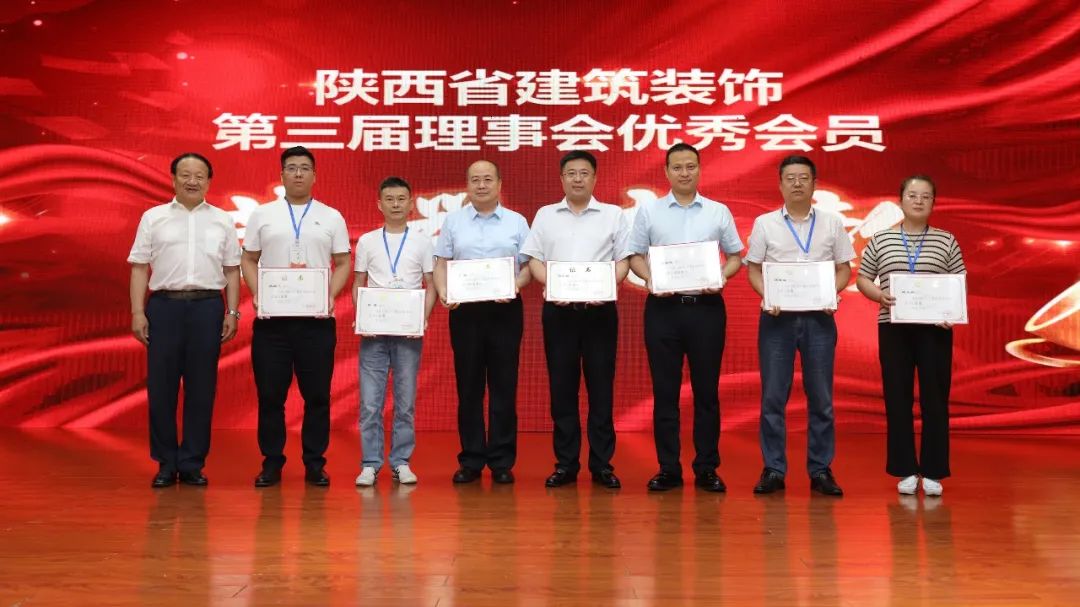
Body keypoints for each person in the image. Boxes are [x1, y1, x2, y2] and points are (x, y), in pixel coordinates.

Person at [627, 143, 744, 493]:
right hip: (663, 310)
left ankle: (707, 468)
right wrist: (651, 279)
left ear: (699, 169)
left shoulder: (718, 211)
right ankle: (668, 468)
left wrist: (721, 275)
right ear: (666, 172)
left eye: (690, 166)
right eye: (677, 167)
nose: (684, 173)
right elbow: (635, 255)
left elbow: (736, 256)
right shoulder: (649, 211)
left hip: (706, 310)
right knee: (665, 392)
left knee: (707, 392)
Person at [128, 152, 241, 488]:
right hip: (164, 307)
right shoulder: (153, 217)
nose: (192, 181)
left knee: (201, 388)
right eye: (185, 175)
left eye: (199, 176)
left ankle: (192, 462)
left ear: (209, 181)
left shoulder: (222, 220)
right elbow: (139, 267)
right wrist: (137, 312)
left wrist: (232, 311)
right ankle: (166, 462)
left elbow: (232, 270)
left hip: (208, 307)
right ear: (173, 178)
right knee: (161, 388)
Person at [241, 146, 351, 487]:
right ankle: (271, 462)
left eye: (305, 168)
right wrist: (258, 293)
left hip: (316, 323)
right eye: (291, 168)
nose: (298, 173)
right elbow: (248, 259)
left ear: (315, 176)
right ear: (282, 175)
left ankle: (315, 463)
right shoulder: (263, 214)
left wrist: (328, 296)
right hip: (272, 323)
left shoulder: (331, 216)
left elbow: (343, 262)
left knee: (317, 396)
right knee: (270, 396)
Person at [745, 155, 854, 496]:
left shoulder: (832, 223)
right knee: (773, 397)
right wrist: (768, 295)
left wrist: (831, 293)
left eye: (803, 178)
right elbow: (753, 269)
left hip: (819, 320)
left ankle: (820, 470)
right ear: (780, 185)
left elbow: (844, 268)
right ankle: (773, 469)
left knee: (821, 398)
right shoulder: (765, 223)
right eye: (790, 178)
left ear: (814, 184)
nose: (797, 183)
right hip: (777, 319)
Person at [522, 151, 631, 490]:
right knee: (562, 389)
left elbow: (624, 260)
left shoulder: (613, 215)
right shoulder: (545, 215)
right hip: (559, 312)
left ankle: (602, 465)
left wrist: (607, 286)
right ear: (562, 178)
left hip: (600, 311)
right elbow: (534, 260)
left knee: (601, 390)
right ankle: (566, 464)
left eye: (584, 173)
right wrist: (553, 285)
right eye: (571, 173)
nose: (578, 179)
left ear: (595, 178)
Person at [856, 175, 965, 496]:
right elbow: (863, 278)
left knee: (935, 399)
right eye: (912, 195)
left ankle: (933, 471)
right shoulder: (881, 239)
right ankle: (904, 469)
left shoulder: (946, 240)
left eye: (926, 196)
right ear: (900, 200)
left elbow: (958, 282)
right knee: (897, 398)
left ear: (933, 203)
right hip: (894, 327)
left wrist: (951, 313)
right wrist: (878, 295)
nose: (918, 201)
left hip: (935, 330)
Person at [434, 160, 531, 484]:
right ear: (467, 185)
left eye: (488, 179)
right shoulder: (453, 221)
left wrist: (514, 285)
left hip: (505, 310)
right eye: (475, 179)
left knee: (504, 386)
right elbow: (441, 263)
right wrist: (444, 291)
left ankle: (502, 461)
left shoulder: (517, 222)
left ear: (500, 184)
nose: (481, 185)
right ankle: (472, 459)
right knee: (469, 387)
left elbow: (529, 266)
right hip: (466, 312)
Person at [353, 177, 436, 487]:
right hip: (374, 333)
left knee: (405, 402)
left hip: (408, 334)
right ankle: (370, 464)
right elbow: (358, 282)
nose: (396, 204)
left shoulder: (423, 241)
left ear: (411, 203)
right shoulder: (367, 241)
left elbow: (431, 285)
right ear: (380, 204)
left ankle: (401, 462)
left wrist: (422, 318)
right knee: (370, 403)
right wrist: (362, 316)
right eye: (390, 199)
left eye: (402, 199)